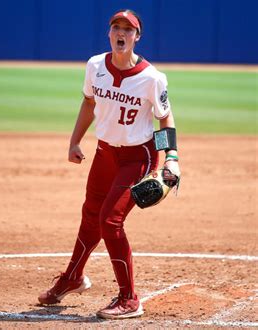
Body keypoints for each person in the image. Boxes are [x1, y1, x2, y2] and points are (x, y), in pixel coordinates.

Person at [38, 9, 180, 319]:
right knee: (90, 215)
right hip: (104, 154)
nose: (121, 33)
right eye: (116, 27)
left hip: (137, 156)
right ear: (109, 33)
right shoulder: (94, 66)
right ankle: (73, 277)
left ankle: (130, 298)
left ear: (136, 37)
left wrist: (171, 157)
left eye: (128, 30)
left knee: (110, 221)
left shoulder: (151, 78)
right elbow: (89, 102)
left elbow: (164, 117)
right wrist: (75, 141)